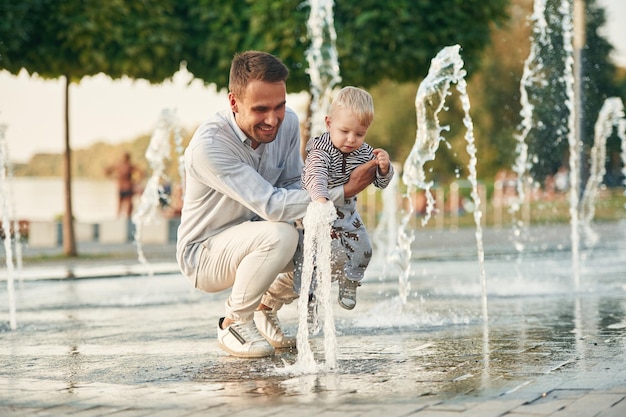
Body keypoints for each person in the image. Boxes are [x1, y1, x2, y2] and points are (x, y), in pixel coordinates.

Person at [175, 51, 376, 358]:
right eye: (260, 110)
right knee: (281, 235)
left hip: (262, 235)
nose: (273, 120)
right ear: (233, 103)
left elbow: (296, 185)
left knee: (336, 249)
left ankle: (265, 306)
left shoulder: (288, 123)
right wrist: (343, 190)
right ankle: (234, 321)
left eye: (279, 106)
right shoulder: (210, 147)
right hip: (205, 254)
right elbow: (272, 205)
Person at [298, 86, 394, 311]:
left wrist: (384, 168)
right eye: (345, 131)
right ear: (329, 123)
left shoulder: (364, 153)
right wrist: (321, 201)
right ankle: (309, 300)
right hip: (318, 215)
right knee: (311, 260)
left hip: (348, 214)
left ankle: (350, 280)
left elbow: (380, 183)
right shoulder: (321, 150)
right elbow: (315, 175)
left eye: (359, 134)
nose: (351, 139)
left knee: (365, 250)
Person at [106, 151, 141, 218]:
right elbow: (141, 173)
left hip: (124, 188)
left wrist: (113, 178)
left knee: (121, 209)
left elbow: (106, 171)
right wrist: (136, 181)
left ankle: (120, 222)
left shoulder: (120, 165)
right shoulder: (128, 166)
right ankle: (125, 222)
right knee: (125, 210)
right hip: (125, 188)